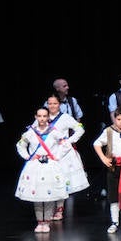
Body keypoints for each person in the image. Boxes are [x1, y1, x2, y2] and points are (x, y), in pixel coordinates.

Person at [15, 106, 68, 232]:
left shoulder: (54, 131)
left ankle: (47, 222)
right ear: (36, 117)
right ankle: (40, 222)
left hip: (50, 165)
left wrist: (57, 156)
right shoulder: (31, 132)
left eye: (45, 116)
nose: (42, 119)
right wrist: (27, 156)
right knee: (37, 194)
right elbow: (20, 145)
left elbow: (66, 145)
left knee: (48, 194)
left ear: (48, 117)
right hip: (35, 166)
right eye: (40, 116)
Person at [43, 94, 88, 222]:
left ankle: (59, 209)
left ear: (59, 105)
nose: (52, 106)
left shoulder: (65, 117)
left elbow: (80, 129)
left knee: (60, 180)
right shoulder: (43, 117)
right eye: (50, 103)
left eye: (55, 103)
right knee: (49, 180)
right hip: (47, 152)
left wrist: (69, 141)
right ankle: (49, 207)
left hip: (61, 153)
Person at [93, 107, 121, 233]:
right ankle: (114, 222)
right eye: (118, 119)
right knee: (113, 196)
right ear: (115, 119)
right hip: (113, 167)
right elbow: (97, 143)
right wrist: (103, 158)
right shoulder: (109, 131)